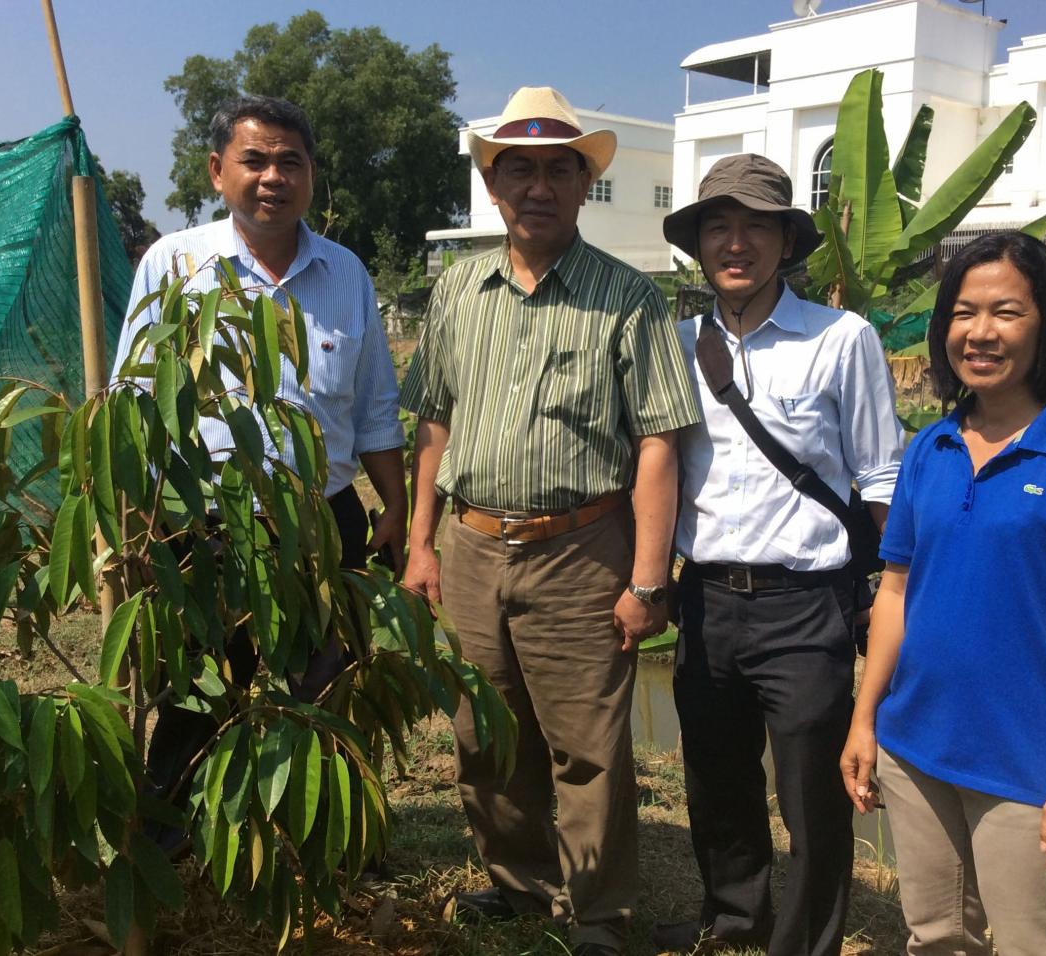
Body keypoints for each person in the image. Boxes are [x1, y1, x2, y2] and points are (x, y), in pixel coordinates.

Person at [399, 86, 699, 956]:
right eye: (518, 170)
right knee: (485, 730)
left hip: (580, 549)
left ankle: (598, 913)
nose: (537, 187)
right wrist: (420, 544)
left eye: (557, 171)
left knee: (587, 746)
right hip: (471, 544)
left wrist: (649, 580)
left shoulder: (629, 298)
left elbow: (657, 443)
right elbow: (434, 421)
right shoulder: (458, 290)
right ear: (493, 185)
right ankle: (520, 881)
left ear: (582, 185)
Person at [839, 231, 1046, 955]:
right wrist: (865, 720)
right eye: (963, 312)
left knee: (1033, 944)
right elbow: (896, 592)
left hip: (1028, 763)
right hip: (915, 747)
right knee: (934, 937)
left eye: (1006, 312)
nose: (980, 332)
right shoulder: (930, 448)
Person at [109, 94, 407, 817]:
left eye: (290, 162)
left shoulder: (346, 274)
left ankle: (320, 842)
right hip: (201, 525)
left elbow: (374, 409)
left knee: (323, 688)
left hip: (323, 522)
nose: (274, 176)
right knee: (198, 690)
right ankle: (177, 840)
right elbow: (134, 400)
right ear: (217, 171)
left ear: (311, 176)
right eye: (255, 160)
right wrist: (132, 524)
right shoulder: (175, 264)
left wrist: (397, 509)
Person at [656, 154, 905, 956]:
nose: (736, 243)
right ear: (698, 244)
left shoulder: (841, 339)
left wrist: (892, 586)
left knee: (811, 794)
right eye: (718, 227)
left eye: (755, 227)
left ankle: (805, 941)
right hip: (706, 598)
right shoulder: (675, 345)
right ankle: (736, 918)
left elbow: (880, 474)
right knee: (716, 778)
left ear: (785, 242)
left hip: (806, 604)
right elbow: (656, 470)